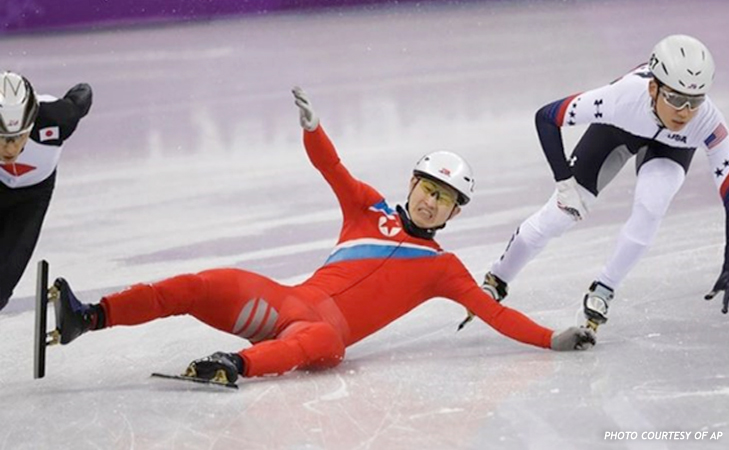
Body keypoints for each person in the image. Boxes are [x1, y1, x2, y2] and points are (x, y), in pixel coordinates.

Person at [48, 87, 595, 385]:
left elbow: (496, 314)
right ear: (412, 183)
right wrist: (314, 128)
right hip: (281, 303)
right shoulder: (367, 208)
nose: (431, 202)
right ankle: (90, 317)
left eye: (444, 199)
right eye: (428, 188)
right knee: (202, 282)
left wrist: (552, 338)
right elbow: (331, 167)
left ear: (453, 214)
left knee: (323, 343)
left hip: (318, 334)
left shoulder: (443, 270)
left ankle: (234, 366)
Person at [463, 34, 729, 332]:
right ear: (653, 88)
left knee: (652, 206)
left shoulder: (708, 123)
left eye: (695, 101)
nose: (685, 112)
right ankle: (498, 279)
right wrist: (564, 182)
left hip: (672, 148)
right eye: (675, 99)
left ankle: (604, 289)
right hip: (618, 130)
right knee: (557, 217)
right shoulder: (620, 98)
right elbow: (546, 118)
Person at [0, 71, 92, 312]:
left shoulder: (59, 118)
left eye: (19, 136)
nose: (10, 148)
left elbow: (82, 93)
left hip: (32, 197)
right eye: (2, 138)